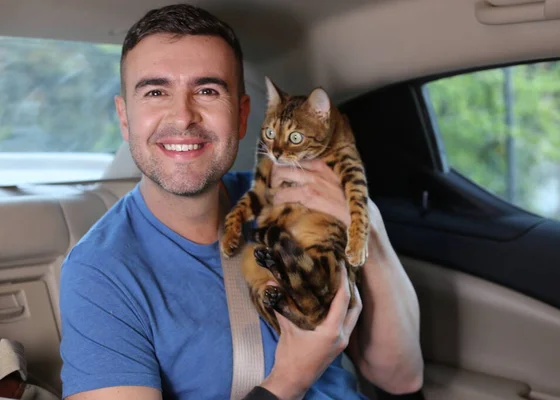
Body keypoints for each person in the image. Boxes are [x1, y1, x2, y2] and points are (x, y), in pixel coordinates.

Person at [58, 4, 424, 400]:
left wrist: (366, 223)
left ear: (243, 115)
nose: (183, 117)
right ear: (125, 118)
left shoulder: (293, 196)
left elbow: (401, 378)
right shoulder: (101, 271)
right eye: (156, 92)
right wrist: (292, 376)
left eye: (208, 91)